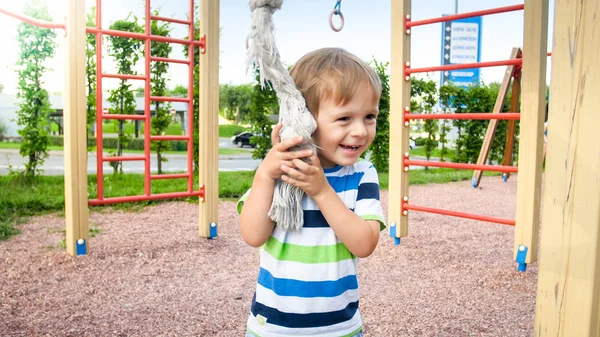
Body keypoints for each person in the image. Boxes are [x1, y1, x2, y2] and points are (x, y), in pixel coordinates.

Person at [237, 47, 386, 337]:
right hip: (273, 328)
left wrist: (322, 191)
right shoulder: (281, 171)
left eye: (369, 116)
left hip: (338, 329)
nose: (360, 131)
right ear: (305, 119)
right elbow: (253, 235)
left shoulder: (361, 175)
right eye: (344, 118)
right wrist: (265, 176)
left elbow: (365, 244)